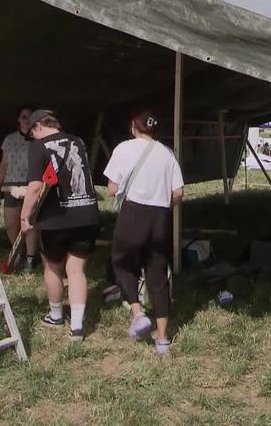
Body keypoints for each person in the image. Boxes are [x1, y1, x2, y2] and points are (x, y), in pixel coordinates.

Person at [104, 109, 184, 355]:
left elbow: (111, 189)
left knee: (123, 263)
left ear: (133, 127)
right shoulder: (167, 153)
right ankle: (162, 340)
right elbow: (179, 193)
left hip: (133, 214)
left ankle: (138, 313)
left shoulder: (123, 149)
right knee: (158, 276)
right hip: (161, 217)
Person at [20, 110, 101, 342]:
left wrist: (25, 217)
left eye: (31, 133)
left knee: (53, 267)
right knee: (76, 270)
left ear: (37, 127)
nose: (32, 138)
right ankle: (76, 327)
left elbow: (35, 187)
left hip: (56, 218)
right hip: (87, 213)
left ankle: (56, 315)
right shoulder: (78, 141)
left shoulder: (39, 146)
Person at [0, 106, 40, 271]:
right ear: (18, 120)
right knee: (11, 224)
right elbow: (3, 164)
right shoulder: (9, 139)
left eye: (29, 117)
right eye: (23, 117)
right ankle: (18, 252)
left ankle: (31, 258)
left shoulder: (38, 138)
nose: (26, 120)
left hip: (31, 183)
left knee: (30, 222)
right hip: (11, 184)